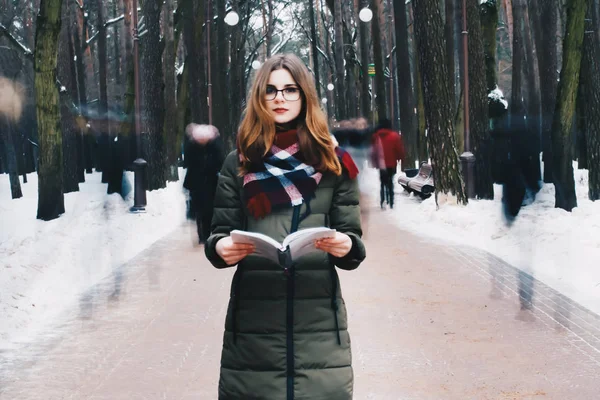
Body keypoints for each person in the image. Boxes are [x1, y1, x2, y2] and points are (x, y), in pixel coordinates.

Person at [204, 53, 366, 400]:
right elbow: (219, 231)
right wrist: (220, 248)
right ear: (259, 98)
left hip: (319, 326)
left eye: (290, 90)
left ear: (304, 96)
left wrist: (346, 246)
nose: (280, 98)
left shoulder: (334, 163)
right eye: (271, 90)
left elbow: (353, 240)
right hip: (253, 328)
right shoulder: (239, 162)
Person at [183, 123, 224, 243]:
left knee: (206, 210)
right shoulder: (193, 146)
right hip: (199, 183)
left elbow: (219, 162)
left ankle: (205, 234)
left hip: (208, 182)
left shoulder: (213, 146)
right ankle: (203, 235)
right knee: (200, 210)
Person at [370, 118, 405, 209]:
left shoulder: (376, 136)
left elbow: (373, 151)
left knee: (382, 182)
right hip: (392, 163)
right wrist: (400, 158)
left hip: (381, 164)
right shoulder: (394, 136)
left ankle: (382, 201)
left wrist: (374, 161)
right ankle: (391, 201)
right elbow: (399, 149)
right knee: (390, 182)